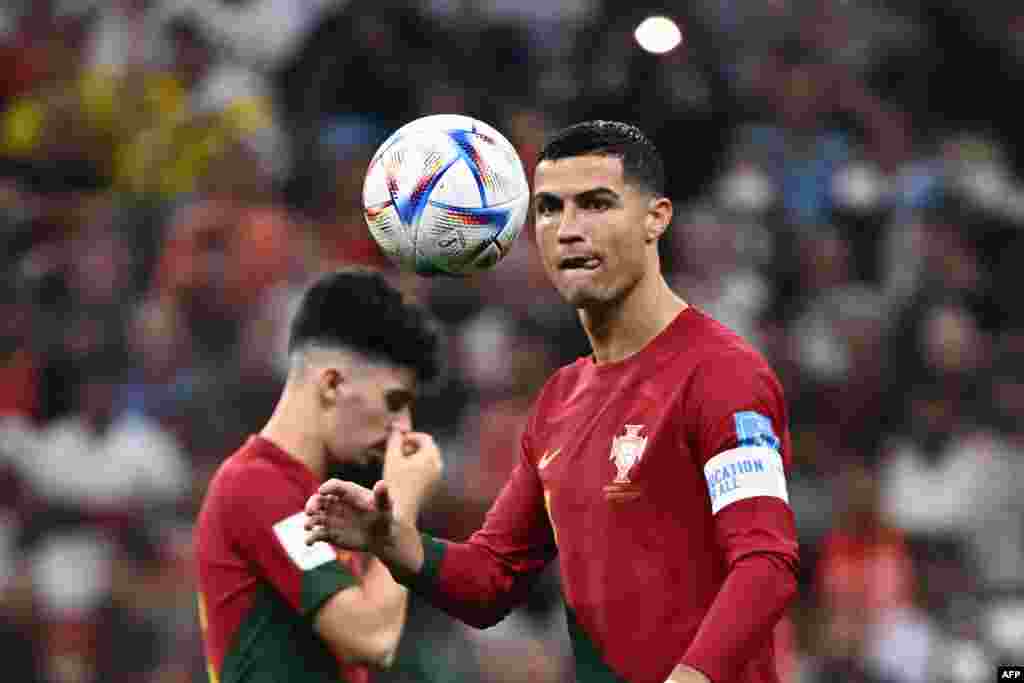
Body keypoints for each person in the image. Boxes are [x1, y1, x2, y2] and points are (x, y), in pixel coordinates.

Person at [305, 121, 800, 683]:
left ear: (655, 219)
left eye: (595, 204)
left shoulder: (721, 374)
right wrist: (390, 540)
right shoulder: (560, 399)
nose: (568, 230)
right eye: (548, 209)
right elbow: (490, 580)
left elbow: (767, 565)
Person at [194, 268, 443, 683]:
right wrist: (401, 504)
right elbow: (372, 638)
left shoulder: (325, 499)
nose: (404, 426)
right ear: (331, 384)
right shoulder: (255, 486)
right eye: (394, 401)